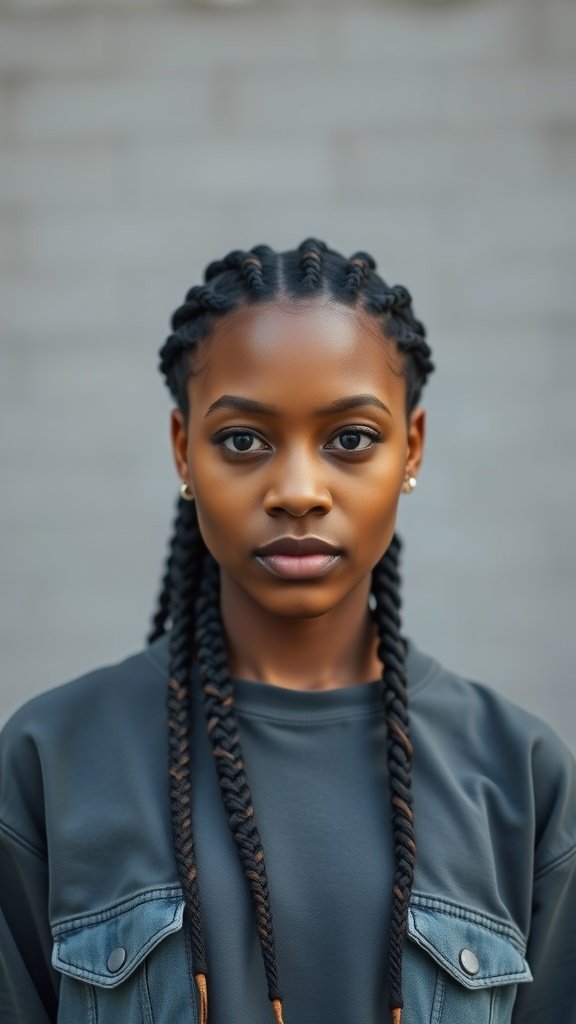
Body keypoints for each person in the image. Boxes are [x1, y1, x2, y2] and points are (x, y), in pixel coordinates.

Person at [0, 239, 574, 1024]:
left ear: (412, 448)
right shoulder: (48, 760)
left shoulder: (522, 777)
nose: (299, 491)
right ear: (183, 451)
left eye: (350, 439)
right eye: (243, 440)